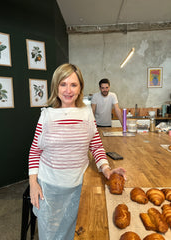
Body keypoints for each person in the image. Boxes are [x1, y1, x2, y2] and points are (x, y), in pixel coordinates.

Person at [28, 63, 126, 240]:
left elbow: (96, 146)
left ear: (80, 87)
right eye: (63, 84)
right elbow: (35, 152)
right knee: (50, 235)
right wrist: (33, 184)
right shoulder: (46, 116)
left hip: (79, 188)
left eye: (73, 84)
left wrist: (106, 169)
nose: (68, 90)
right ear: (55, 86)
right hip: (49, 189)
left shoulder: (86, 113)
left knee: (76, 232)